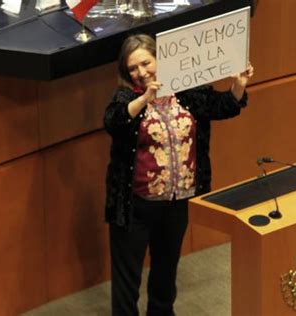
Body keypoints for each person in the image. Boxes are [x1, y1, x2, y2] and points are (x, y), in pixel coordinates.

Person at [103, 33, 254, 316]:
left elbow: (222, 106)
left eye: (146, 63)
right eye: (133, 68)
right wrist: (146, 98)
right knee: (128, 280)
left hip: (176, 201)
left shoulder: (186, 92)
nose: (141, 72)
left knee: (166, 271)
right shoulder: (126, 98)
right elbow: (114, 121)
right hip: (134, 206)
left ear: (161, 59)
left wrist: (238, 85)